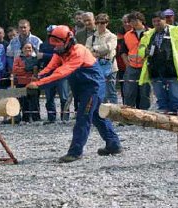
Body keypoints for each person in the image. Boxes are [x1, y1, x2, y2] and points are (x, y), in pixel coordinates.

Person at [26, 25, 122, 162]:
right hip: (81, 88)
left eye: (58, 45)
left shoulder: (78, 51)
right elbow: (51, 67)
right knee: (96, 116)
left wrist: (39, 84)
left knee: (83, 118)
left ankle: (75, 152)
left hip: (92, 87)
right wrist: (39, 77)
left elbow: (62, 72)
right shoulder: (60, 52)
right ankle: (114, 144)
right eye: (54, 45)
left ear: (68, 41)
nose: (55, 48)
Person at [138, 11, 178, 116]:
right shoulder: (148, 34)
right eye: (154, 21)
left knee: (176, 95)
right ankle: (164, 115)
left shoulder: (177, 33)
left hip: (173, 69)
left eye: (159, 21)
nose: (156, 23)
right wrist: (144, 51)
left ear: (165, 20)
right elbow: (141, 49)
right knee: (160, 95)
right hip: (155, 70)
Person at [40, 25, 70, 124]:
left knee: (64, 97)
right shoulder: (43, 45)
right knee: (49, 98)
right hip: (48, 74)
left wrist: (44, 55)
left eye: (52, 32)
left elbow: (60, 56)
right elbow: (39, 58)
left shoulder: (63, 43)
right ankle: (51, 117)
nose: (50, 34)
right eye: (49, 32)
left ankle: (64, 118)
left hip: (62, 73)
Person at [121, 11, 151, 110]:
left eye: (135, 20)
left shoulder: (150, 33)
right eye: (131, 21)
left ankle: (144, 116)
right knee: (129, 92)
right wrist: (127, 63)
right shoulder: (127, 35)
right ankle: (128, 116)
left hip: (146, 67)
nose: (133, 22)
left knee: (145, 93)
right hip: (131, 68)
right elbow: (123, 51)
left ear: (142, 20)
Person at [86, 13, 118, 104]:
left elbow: (109, 48)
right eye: (98, 22)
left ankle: (114, 113)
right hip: (96, 68)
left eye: (103, 22)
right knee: (99, 91)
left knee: (111, 92)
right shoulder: (90, 38)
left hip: (110, 68)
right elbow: (87, 51)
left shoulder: (112, 36)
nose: (100, 24)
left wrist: (95, 49)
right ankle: (100, 113)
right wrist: (100, 51)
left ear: (107, 23)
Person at [13, 42, 40, 123]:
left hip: (33, 82)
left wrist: (27, 69)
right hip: (21, 82)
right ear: (22, 49)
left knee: (34, 101)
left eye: (29, 48)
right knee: (23, 101)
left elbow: (37, 70)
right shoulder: (18, 58)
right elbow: (15, 70)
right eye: (26, 48)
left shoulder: (36, 59)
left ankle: (36, 118)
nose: (28, 49)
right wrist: (26, 68)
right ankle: (25, 118)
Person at [116, 14, 132, 104]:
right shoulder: (118, 35)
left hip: (136, 66)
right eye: (124, 22)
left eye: (128, 22)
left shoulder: (139, 34)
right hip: (121, 67)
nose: (126, 24)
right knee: (124, 91)